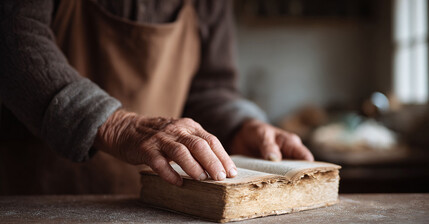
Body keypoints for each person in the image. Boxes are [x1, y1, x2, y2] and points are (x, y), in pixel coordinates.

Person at [0, 0, 313, 195]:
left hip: (154, 204)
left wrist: (241, 124)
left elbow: (209, 87)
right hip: (35, 196)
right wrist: (116, 126)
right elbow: (13, 41)